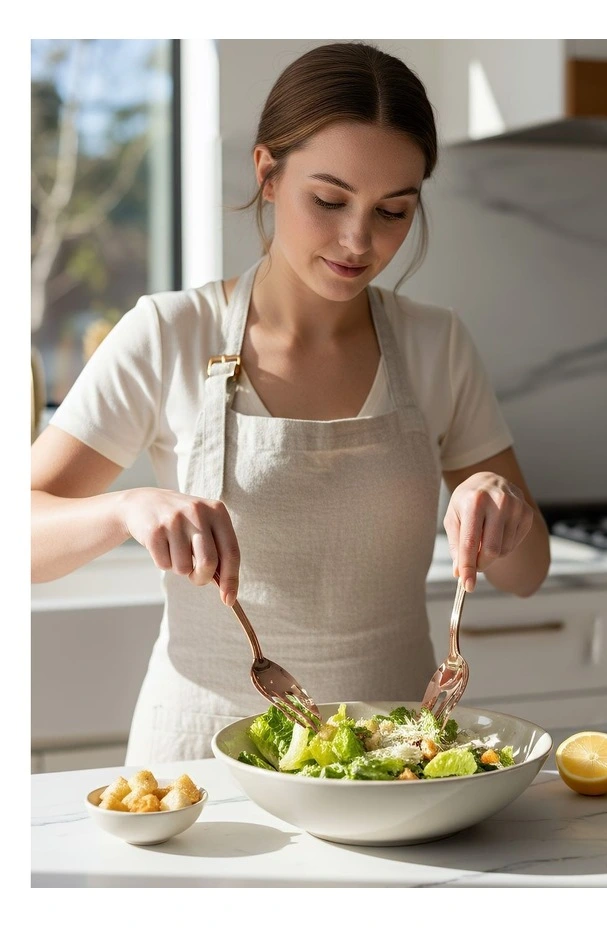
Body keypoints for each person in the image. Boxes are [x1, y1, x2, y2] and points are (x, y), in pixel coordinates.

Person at [31, 41, 551, 763]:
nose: (358, 240)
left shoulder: (438, 345)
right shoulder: (169, 333)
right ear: (267, 173)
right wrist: (126, 509)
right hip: (200, 770)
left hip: (393, 768)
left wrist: (499, 507)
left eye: (393, 211)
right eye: (329, 201)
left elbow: (527, 574)